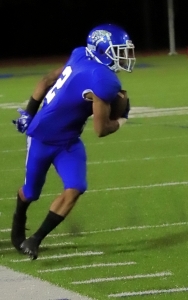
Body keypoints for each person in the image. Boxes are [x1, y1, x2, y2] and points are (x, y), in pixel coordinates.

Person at [11, 23, 136, 260]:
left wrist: (29, 111)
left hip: (68, 141)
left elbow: (47, 79)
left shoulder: (80, 53)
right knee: (30, 192)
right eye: (119, 50)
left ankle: (35, 240)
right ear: (102, 50)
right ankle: (19, 219)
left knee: (76, 187)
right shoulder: (102, 79)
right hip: (42, 138)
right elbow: (101, 129)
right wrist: (123, 119)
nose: (125, 56)